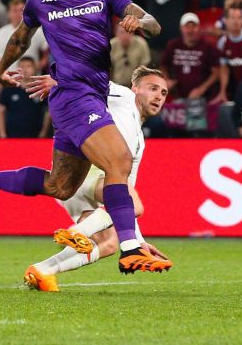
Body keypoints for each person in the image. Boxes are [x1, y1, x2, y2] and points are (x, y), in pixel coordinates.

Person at [0, 0, 169, 274]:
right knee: (119, 160)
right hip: (72, 95)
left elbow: (152, 23)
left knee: (59, 186)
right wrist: (0, 69)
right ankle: (130, 248)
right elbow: (21, 37)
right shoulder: (41, 0)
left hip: (94, 95)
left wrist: (140, 25)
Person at [23, 66, 171, 292]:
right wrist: (58, 82)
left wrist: (137, 241)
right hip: (84, 170)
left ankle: (42, 270)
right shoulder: (123, 96)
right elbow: (87, 82)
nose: (158, 96)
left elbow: (124, 197)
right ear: (136, 88)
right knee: (134, 204)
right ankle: (76, 233)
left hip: (81, 188)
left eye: (163, 93)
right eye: (153, 88)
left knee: (109, 243)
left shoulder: (139, 141)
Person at [0, 57, 49, 139]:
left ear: (35, 69)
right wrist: (2, 134)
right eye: (22, 67)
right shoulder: (9, 87)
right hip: (11, 136)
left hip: (36, 137)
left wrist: (43, 132)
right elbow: (0, 110)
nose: (25, 69)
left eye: (28, 66)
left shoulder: (41, 88)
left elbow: (48, 112)